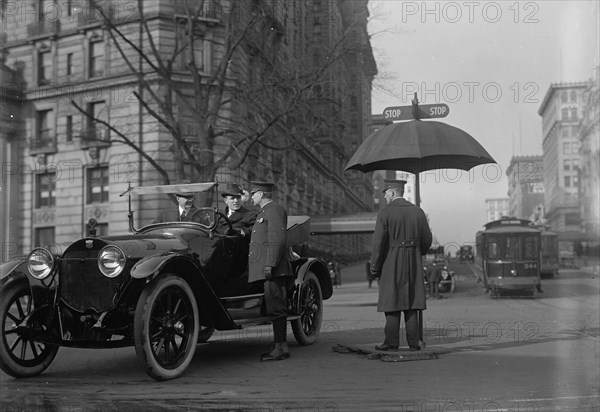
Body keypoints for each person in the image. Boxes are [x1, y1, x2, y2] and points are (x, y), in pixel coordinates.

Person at [370, 179, 432, 352]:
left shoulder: (385, 212)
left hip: (391, 261)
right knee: (412, 302)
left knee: (392, 301)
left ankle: (391, 342)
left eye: (386, 194)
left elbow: (378, 243)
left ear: (391, 193)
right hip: (413, 262)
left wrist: (375, 267)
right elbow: (427, 240)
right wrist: (417, 251)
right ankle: (414, 343)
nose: (385, 198)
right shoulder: (418, 212)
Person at [247, 181, 293, 361]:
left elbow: (278, 239)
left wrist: (270, 264)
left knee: (277, 308)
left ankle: (280, 348)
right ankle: (280, 346)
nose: (251, 197)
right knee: (274, 307)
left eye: (253, 194)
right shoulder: (264, 212)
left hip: (274, 268)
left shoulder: (274, 210)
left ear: (260, 194)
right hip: (270, 267)